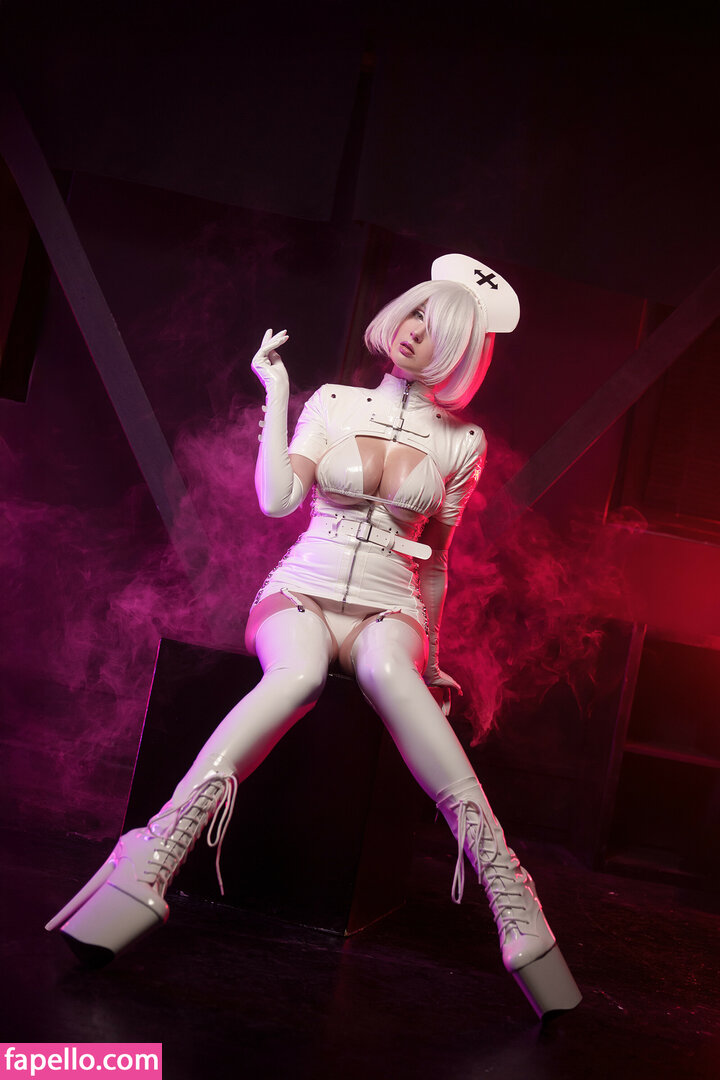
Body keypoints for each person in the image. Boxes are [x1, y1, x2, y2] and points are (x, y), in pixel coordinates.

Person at [46, 254, 581, 1018]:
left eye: (439, 330)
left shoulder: (464, 441)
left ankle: (509, 890)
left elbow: (437, 562)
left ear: (462, 354)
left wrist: (434, 655)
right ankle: (158, 848)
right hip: (299, 588)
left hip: (391, 607)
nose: (416, 332)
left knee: (393, 678)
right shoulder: (332, 401)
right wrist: (277, 394)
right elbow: (277, 500)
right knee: (295, 678)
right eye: (415, 312)